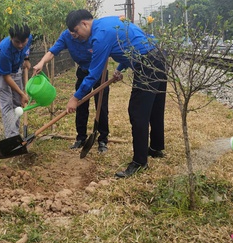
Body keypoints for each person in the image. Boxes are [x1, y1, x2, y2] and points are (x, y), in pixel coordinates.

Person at [65, 10, 166, 178]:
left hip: (146, 64)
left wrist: (75, 98)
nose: (75, 36)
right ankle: (155, 148)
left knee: (137, 112)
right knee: (155, 107)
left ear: (84, 24)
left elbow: (94, 74)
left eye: (75, 31)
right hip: (158, 56)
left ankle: (140, 162)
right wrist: (120, 68)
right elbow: (132, 43)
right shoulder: (109, 21)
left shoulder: (100, 36)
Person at [33, 26, 111, 153]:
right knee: (80, 105)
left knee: (101, 106)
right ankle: (81, 138)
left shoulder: (94, 34)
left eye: (76, 32)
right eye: (72, 32)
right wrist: (42, 62)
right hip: (83, 71)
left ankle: (102, 139)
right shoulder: (66, 36)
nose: (74, 35)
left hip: (99, 73)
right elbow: (52, 52)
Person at [0, 24, 32, 138]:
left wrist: (26, 59)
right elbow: (6, 77)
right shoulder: (3, 50)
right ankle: (12, 137)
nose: (20, 45)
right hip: (0, 73)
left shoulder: (28, 38)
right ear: (11, 38)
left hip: (15, 68)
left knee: (18, 103)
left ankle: (15, 131)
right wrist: (22, 93)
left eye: (23, 42)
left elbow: (27, 47)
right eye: (17, 42)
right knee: (7, 104)